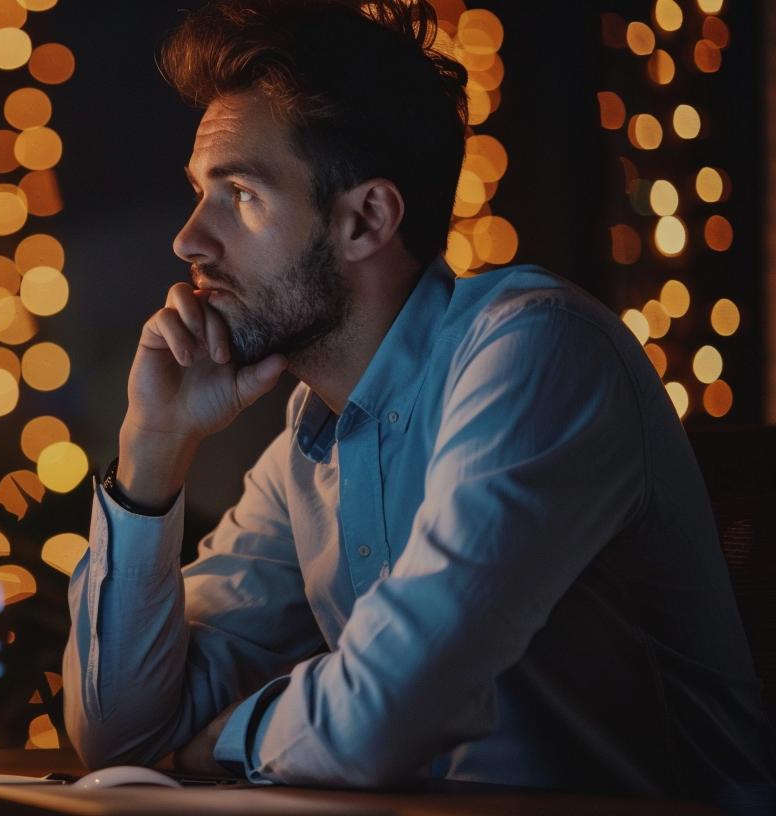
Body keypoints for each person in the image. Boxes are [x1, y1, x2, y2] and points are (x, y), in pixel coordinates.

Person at [62, 0, 774, 803]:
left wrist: (218, 743)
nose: (189, 239)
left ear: (367, 219)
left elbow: (379, 721)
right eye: (200, 192)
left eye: (240, 195)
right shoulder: (311, 443)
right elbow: (118, 738)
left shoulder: (536, 350)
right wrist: (152, 451)